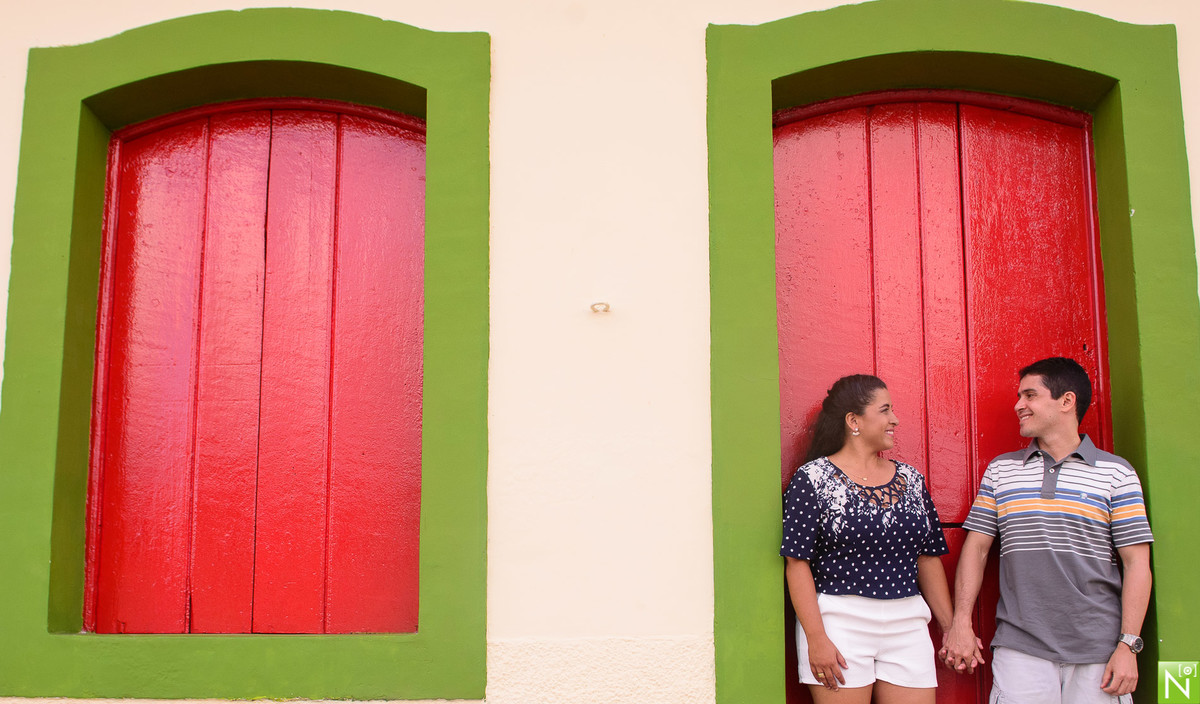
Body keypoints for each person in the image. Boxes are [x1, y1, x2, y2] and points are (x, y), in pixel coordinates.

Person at [941, 357, 1154, 703]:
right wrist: (961, 623)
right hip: (1021, 647)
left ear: (1066, 401)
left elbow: (1136, 564)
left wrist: (1128, 645)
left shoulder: (1117, 474)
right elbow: (976, 549)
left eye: (1030, 395)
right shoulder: (1002, 470)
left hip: (1099, 651)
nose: (1018, 405)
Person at [781, 374, 953, 703]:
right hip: (839, 622)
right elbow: (796, 562)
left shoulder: (912, 479)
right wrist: (816, 638)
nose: (895, 419)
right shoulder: (813, 478)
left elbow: (928, 558)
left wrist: (950, 628)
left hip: (908, 622)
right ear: (854, 421)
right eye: (885, 410)